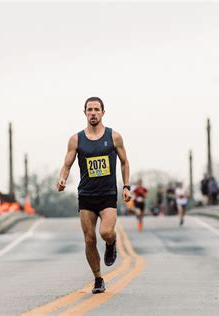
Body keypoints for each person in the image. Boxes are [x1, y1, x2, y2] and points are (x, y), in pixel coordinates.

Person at [57, 96, 131, 294]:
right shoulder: (76, 139)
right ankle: (98, 279)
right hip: (87, 195)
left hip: (107, 194)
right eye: (89, 110)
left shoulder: (114, 137)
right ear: (84, 113)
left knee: (105, 232)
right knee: (89, 239)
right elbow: (66, 164)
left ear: (103, 113)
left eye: (96, 109)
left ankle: (111, 242)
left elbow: (125, 162)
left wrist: (126, 186)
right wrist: (62, 179)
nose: (93, 113)